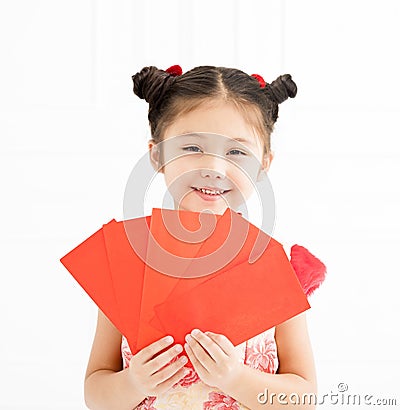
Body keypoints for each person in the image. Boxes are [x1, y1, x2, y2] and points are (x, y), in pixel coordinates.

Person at [83, 65, 319, 409]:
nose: (214, 167)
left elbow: (304, 397)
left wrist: (236, 379)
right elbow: (96, 391)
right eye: (191, 147)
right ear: (157, 154)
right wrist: (133, 382)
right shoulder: (129, 260)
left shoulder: (274, 266)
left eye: (237, 152)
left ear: (263, 162)